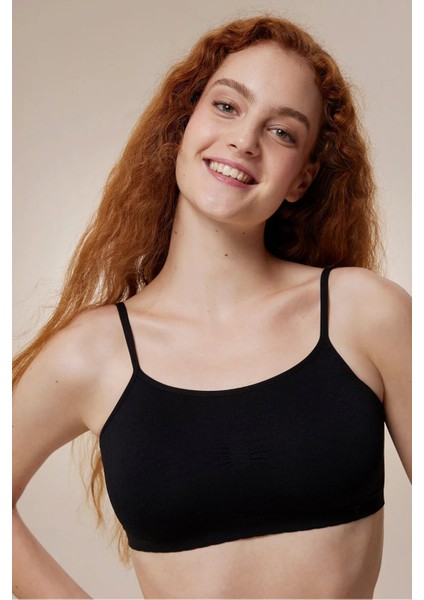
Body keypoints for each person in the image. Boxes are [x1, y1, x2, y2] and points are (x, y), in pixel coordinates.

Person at [12, 14, 411, 600]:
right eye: (227, 106)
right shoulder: (93, 353)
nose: (244, 141)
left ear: (301, 179)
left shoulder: (365, 313)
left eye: (282, 132)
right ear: (184, 124)